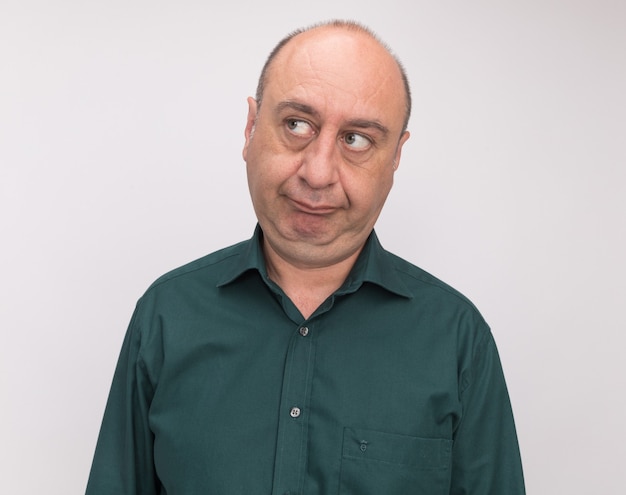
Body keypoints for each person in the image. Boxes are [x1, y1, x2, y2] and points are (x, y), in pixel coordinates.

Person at [86, 20, 525, 495]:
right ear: (251, 127)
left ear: (396, 156)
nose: (318, 174)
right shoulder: (167, 316)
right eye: (297, 124)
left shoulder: (458, 340)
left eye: (357, 139)